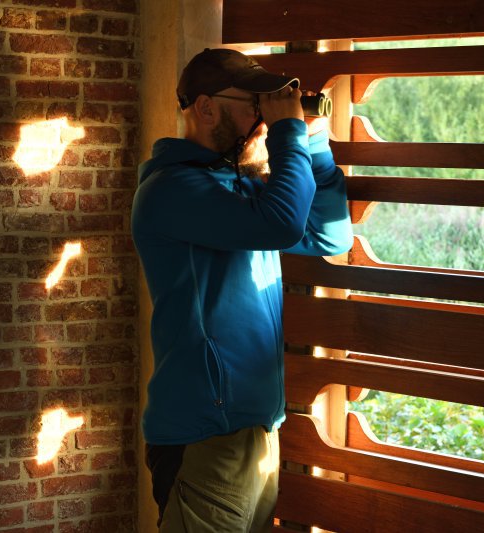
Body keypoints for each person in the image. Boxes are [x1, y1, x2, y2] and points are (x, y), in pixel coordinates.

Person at [131, 48, 353, 532]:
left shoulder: (243, 187)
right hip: (205, 437)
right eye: (252, 102)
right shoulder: (172, 189)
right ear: (206, 107)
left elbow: (330, 236)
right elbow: (280, 224)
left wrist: (312, 143)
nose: (262, 116)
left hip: (256, 430)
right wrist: (288, 135)